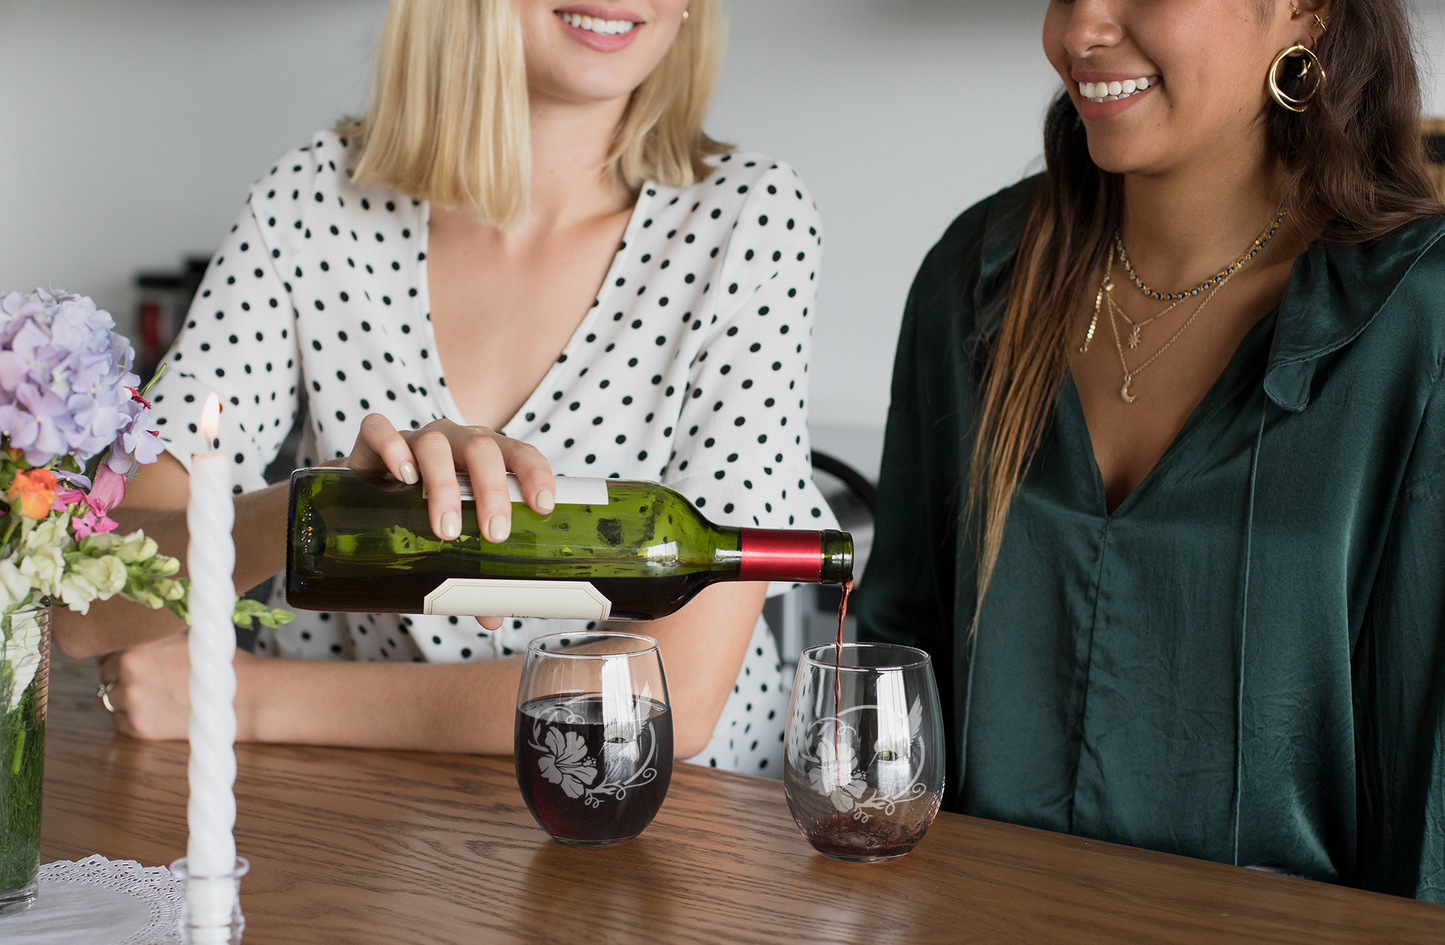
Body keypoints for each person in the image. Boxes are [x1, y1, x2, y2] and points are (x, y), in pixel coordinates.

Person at [54, 0, 835, 776]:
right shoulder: (310, 201)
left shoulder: (749, 219)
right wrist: (311, 509)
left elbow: (671, 699)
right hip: (359, 818)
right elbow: (91, 600)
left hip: (677, 829)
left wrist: (249, 698)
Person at [856, 0, 1445, 902]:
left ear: (1305, 11)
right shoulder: (977, 276)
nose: (1079, 30)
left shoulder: (1419, 325)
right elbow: (893, 680)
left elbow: (1429, 791)